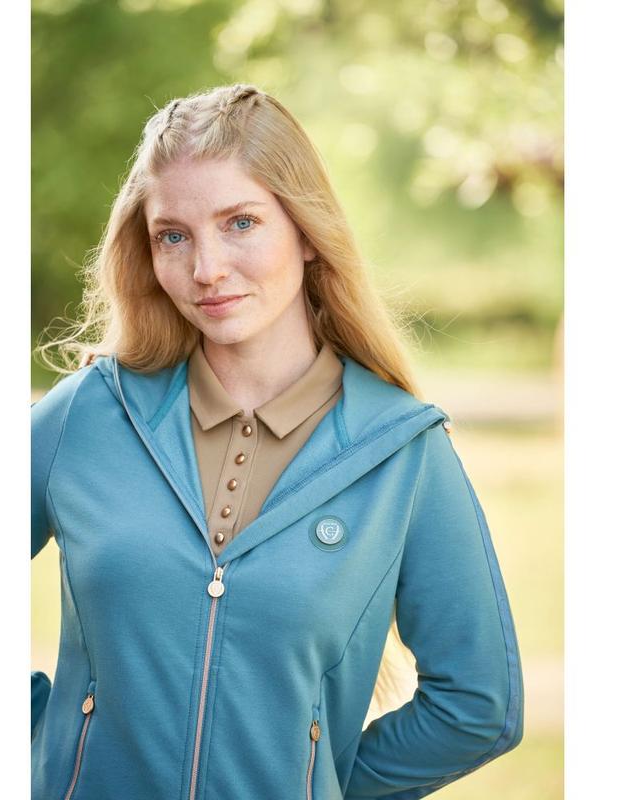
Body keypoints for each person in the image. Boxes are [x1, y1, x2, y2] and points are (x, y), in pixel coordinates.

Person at [31, 83, 524, 800]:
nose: (206, 269)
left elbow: (478, 708)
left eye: (240, 223)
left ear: (307, 231)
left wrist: (315, 786)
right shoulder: (90, 414)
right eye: (173, 235)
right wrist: (50, 750)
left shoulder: (402, 453)